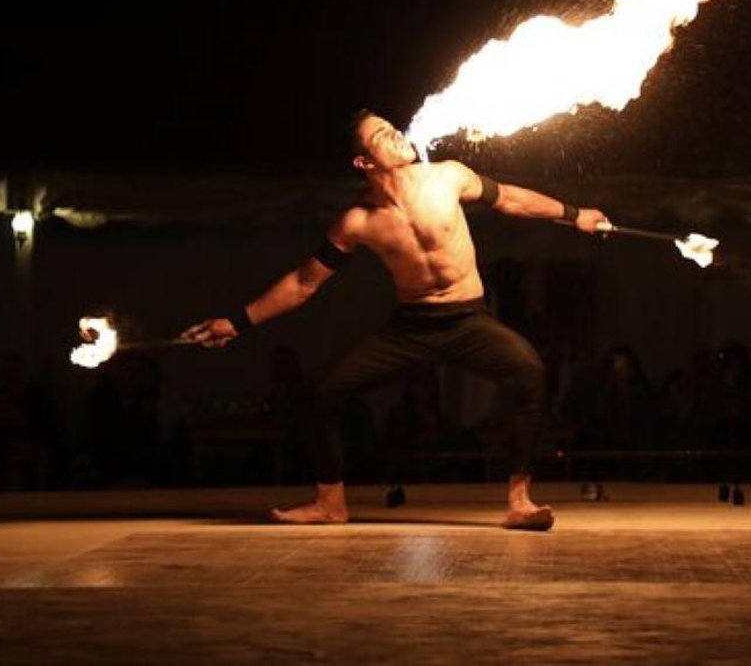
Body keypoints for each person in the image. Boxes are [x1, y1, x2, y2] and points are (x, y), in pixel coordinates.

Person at [181, 109, 608, 530]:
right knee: (316, 394)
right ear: (363, 162)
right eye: (381, 135)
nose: (397, 134)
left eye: (393, 127)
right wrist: (236, 322)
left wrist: (575, 215)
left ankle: (520, 502)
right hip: (412, 329)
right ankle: (330, 503)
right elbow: (303, 282)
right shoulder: (357, 221)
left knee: (529, 372)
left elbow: (511, 198)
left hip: (467, 322)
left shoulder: (447, 176)